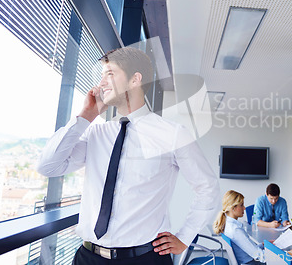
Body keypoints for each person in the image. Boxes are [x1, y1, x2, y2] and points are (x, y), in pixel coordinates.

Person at [37, 46, 220, 265]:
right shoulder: (96, 133)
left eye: (110, 74)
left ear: (135, 80)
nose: (101, 83)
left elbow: (207, 187)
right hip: (88, 258)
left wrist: (185, 236)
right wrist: (84, 117)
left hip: (144, 259)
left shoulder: (172, 134)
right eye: (101, 75)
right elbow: (48, 167)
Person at [213, 190, 292, 265]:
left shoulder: (229, 224)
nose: (244, 208)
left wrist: (263, 244)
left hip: (250, 260)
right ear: (233, 208)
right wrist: (290, 253)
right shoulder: (235, 230)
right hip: (253, 263)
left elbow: (247, 247)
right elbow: (262, 257)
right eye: (241, 205)